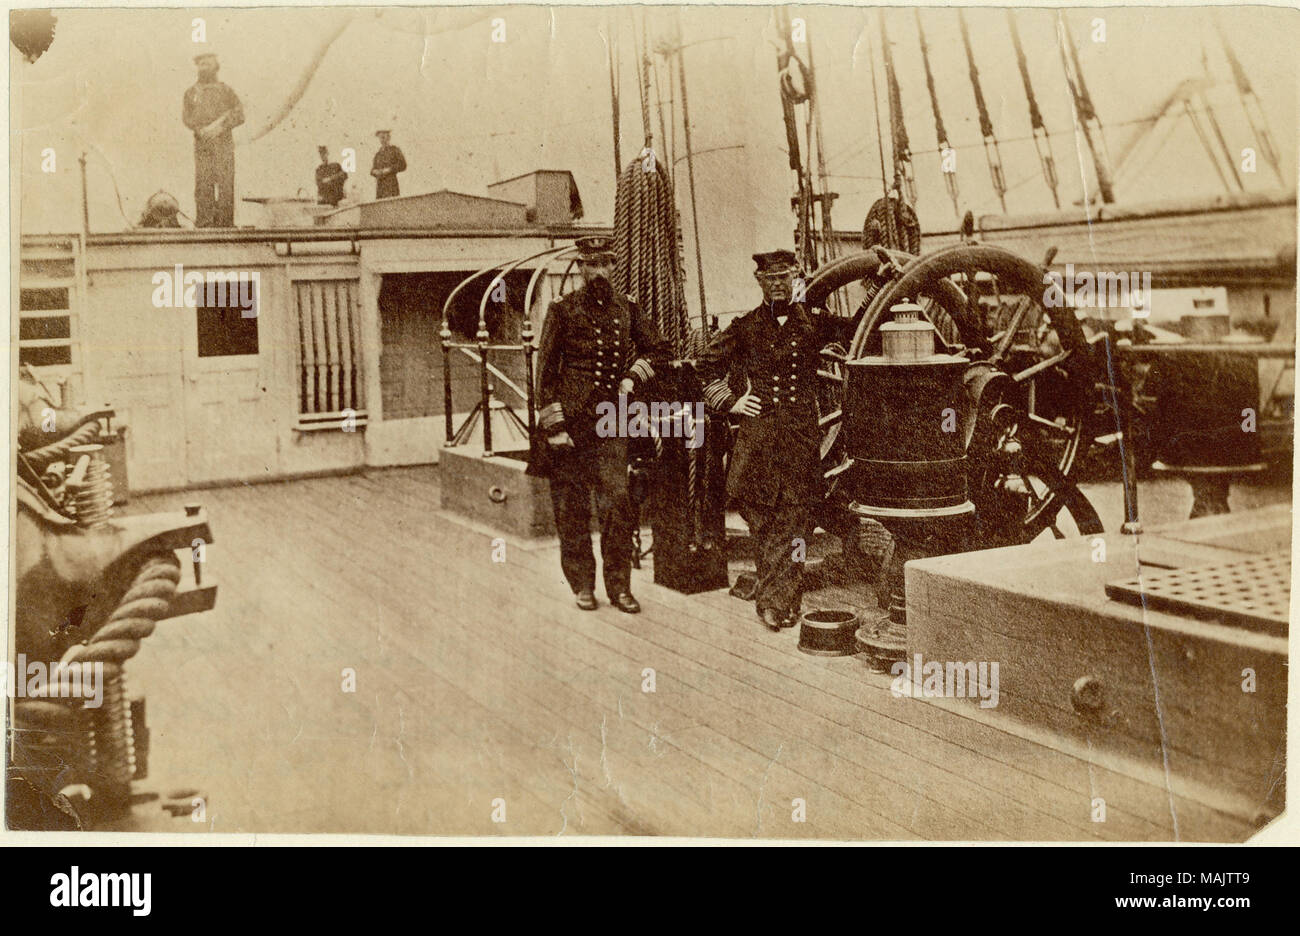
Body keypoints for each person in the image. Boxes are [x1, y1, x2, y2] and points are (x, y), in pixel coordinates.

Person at [528, 236, 670, 614]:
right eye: (591, 265)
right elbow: (544, 373)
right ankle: (582, 585)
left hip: (612, 420)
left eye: (606, 264)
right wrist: (554, 425)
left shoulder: (628, 309)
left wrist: (632, 377)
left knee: (618, 502)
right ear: (580, 267)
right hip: (572, 422)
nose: (599, 272)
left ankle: (620, 587)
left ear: (613, 267)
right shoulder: (562, 309)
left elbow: (659, 348)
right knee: (571, 506)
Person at [696, 250, 834, 631]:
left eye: (783, 277)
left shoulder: (813, 324)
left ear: (795, 278)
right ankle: (778, 599)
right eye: (769, 279)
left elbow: (858, 328)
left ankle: (776, 603)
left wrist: (876, 289)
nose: (777, 284)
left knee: (796, 522)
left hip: (800, 440)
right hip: (759, 442)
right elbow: (703, 366)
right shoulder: (745, 327)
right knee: (765, 522)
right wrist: (732, 402)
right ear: (760, 283)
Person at [182, 52, 244, 227]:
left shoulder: (226, 91)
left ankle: (225, 224)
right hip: (202, 144)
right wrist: (200, 130)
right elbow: (187, 117)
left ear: (216, 67)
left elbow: (240, 114)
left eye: (207, 64)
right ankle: (204, 223)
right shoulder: (191, 93)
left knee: (225, 183)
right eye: (201, 64)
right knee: (203, 182)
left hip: (223, 143)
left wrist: (221, 128)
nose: (204, 67)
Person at [370, 130, 406, 199]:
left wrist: (390, 169)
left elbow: (403, 165)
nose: (382, 140)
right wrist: (375, 171)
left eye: (383, 137)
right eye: (380, 138)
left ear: (389, 137)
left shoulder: (394, 150)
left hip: (391, 184)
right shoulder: (378, 154)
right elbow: (372, 169)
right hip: (380, 186)